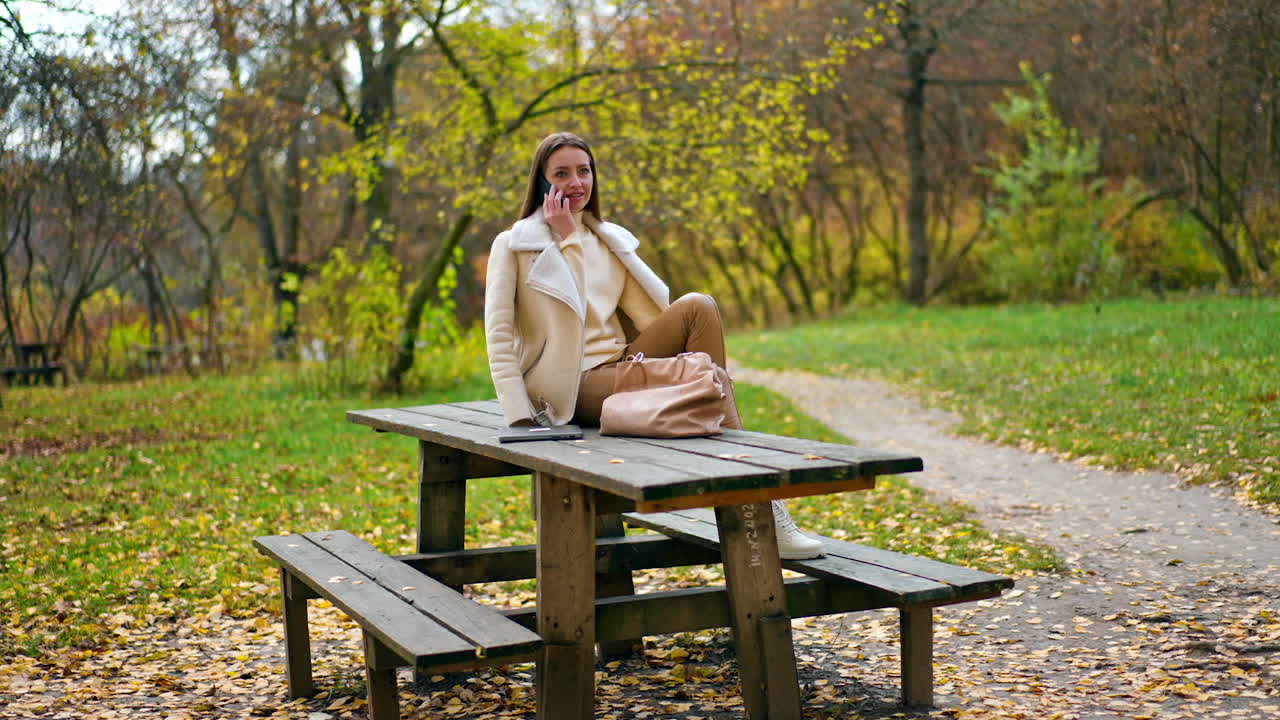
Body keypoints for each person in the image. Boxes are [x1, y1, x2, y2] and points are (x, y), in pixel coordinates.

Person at [483, 131, 823, 560]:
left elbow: (650, 321)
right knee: (709, 382)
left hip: (621, 365)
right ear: (542, 183)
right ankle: (764, 512)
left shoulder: (609, 241)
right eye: (562, 173)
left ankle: (752, 498)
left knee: (699, 308)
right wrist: (519, 417)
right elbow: (497, 335)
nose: (576, 182)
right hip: (568, 386)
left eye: (584, 171)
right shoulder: (514, 245)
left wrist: (687, 363)